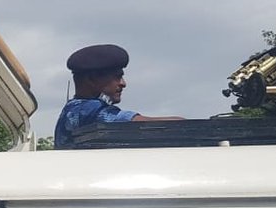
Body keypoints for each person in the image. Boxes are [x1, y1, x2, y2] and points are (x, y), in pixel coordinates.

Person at [53, 44, 182, 148]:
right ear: (91, 79)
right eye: (117, 77)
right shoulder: (92, 111)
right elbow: (140, 123)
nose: (123, 83)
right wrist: (183, 123)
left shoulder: (72, 107)